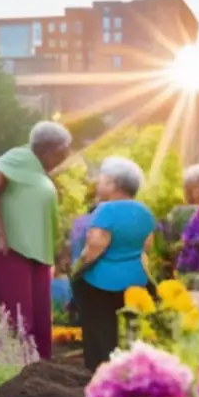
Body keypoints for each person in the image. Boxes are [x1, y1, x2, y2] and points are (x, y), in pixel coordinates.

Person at [0, 121, 72, 359]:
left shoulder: (36, 170)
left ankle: (39, 375)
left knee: (40, 318)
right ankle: (13, 373)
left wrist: (59, 251)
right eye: (63, 152)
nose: (65, 157)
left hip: (35, 252)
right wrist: (0, 233)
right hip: (10, 249)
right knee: (20, 318)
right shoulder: (20, 157)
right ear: (50, 149)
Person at [73, 157, 156, 372]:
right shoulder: (145, 212)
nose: (98, 185)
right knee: (129, 333)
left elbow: (94, 248)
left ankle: (101, 374)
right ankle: (130, 372)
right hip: (136, 281)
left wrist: (79, 266)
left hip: (102, 283)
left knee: (100, 333)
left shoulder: (105, 210)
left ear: (112, 183)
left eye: (101, 180)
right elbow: (146, 246)